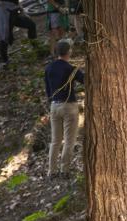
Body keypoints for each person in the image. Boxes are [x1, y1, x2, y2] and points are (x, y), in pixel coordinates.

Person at [44, 39, 84, 179]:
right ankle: (64, 170)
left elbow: (48, 91)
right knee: (69, 140)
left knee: (55, 141)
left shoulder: (49, 68)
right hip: (69, 106)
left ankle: (51, 171)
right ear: (68, 52)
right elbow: (85, 79)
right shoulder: (70, 69)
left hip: (54, 106)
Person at [0, 0, 38, 68]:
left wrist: (21, 10)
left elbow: (16, 1)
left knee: (31, 25)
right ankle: (5, 61)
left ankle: (36, 48)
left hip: (14, 11)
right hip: (3, 11)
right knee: (4, 36)